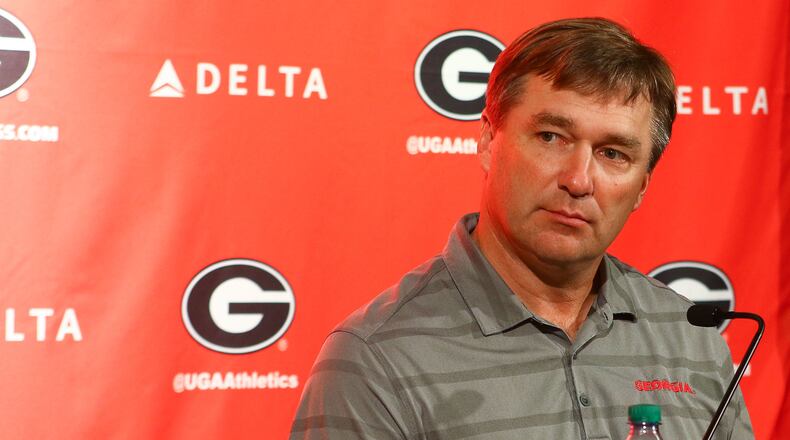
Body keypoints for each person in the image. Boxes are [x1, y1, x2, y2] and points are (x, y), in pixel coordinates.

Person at [290, 17, 753, 439]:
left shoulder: (689, 336)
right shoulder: (375, 360)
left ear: (642, 187)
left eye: (613, 153)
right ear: (490, 141)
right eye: (552, 137)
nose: (578, 179)